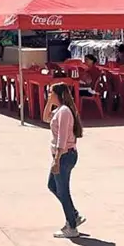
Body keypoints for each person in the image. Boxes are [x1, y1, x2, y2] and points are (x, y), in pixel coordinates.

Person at [42, 83, 85, 238]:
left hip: (65, 155)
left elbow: (62, 138)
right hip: (61, 155)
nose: (48, 94)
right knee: (52, 185)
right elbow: (45, 117)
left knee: (63, 190)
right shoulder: (58, 110)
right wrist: (49, 102)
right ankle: (73, 214)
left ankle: (71, 226)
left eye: (50, 92)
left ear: (58, 94)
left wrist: (57, 159)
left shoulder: (65, 112)